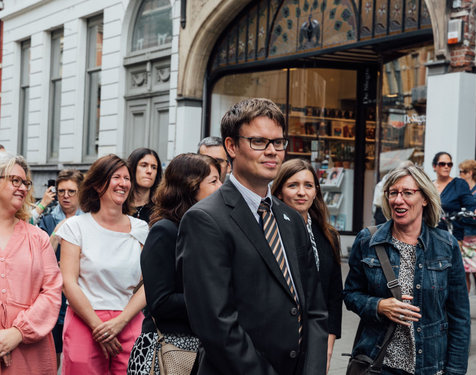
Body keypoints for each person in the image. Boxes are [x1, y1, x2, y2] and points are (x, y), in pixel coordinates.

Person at [177, 98, 328, 375]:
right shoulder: (205, 219)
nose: (272, 152)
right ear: (231, 146)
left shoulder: (291, 219)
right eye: (259, 141)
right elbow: (216, 323)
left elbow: (315, 309)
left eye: (279, 142)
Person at [344, 164, 470, 374]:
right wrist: (379, 305)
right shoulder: (368, 240)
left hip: (429, 366)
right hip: (380, 364)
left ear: (425, 198)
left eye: (407, 193)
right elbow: (350, 294)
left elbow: (460, 317)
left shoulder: (446, 245)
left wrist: (455, 371)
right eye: (393, 193)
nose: (398, 200)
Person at [128, 153, 222, 375]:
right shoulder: (165, 231)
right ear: (191, 186)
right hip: (168, 349)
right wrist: (214, 301)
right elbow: (160, 302)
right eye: (214, 181)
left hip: (205, 346)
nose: (221, 187)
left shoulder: (206, 230)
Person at [57, 154, 149, 375]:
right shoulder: (75, 227)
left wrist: (121, 322)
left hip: (129, 320)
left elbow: (149, 283)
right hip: (84, 321)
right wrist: (99, 327)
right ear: (98, 185)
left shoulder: (141, 229)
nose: (123, 183)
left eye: (127, 178)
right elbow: (68, 282)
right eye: (116, 177)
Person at [272, 158, 342, 373]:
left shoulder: (328, 235)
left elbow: (333, 294)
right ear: (279, 191)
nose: (302, 192)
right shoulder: (269, 232)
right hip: (277, 336)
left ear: (316, 191)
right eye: (293, 185)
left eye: (308, 185)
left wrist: (327, 347)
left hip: (316, 336)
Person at [0, 152, 62, 374]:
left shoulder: (38, 238)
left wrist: (17, 333)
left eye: (25, 182)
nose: (23, 188)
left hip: (30, 353)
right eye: (14, 180)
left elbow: (52, 291)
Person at [38, 169, 84, 370]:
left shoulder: (89, 219)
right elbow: (39, 260)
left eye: (71, 191)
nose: (66, 196)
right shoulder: (48, 219)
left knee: (78, 356)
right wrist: (57, 233)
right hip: (54, 298)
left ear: (81, 192)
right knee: (52, 355)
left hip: (81, 295)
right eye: (62, 191)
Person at [432, 151, 476, 241]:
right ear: (434, 166)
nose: (446, 167)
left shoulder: (459, 184)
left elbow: (470, 205)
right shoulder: (429, 185)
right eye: (442, 164)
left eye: (449, 164)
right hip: (431, 236)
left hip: (452, 236)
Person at [459, 159, 476, 292]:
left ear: (469, 173)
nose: (459, 174)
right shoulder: (463, 190)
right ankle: (463, 308)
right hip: (463, 236)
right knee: (463, 273)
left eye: (462, 171)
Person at [127, 148, 162, 223]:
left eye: (154, 167)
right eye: (144, 165)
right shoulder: (120, 205)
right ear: (132, 168)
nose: (149, 171)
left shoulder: (161, 210)